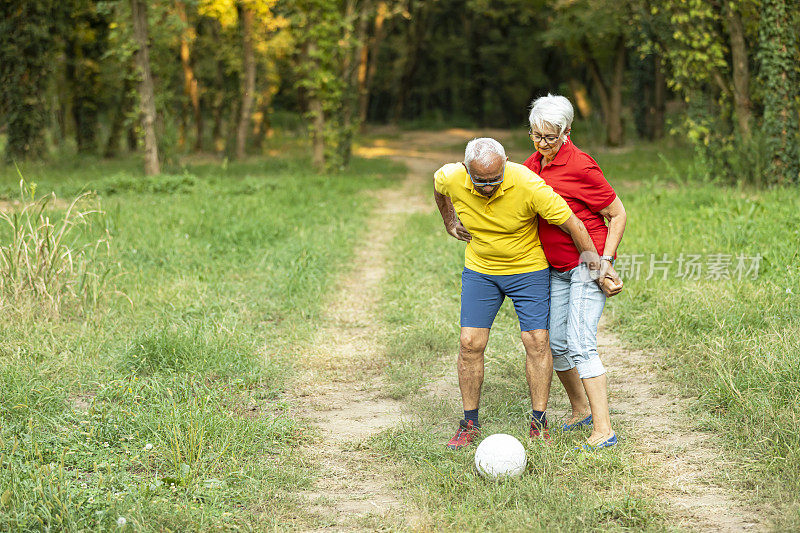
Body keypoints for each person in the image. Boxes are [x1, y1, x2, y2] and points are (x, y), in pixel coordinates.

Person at [434, 137, 601, 450]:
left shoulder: (527, 183)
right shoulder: (451, 176)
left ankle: (539, 422)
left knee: (537, 341)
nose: (487, 188)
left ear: (505, 164)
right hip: (481, 269)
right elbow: (439, 187)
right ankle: (469, 423)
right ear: (466, 169)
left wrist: (598, 268)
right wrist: (449, 221)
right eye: (480, 181)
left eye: (495, 180)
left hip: (527, 269)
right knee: (470, 343)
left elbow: (574, 224)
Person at [523, 94, 627, 449]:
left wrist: (606, 261)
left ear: (567, 131)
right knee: (558, 344)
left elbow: (617, 214)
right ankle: (580, 410)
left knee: (582, 344)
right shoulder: (531, 166)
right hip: (555, 268)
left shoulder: (582, 166)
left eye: (550, 137)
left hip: (588, 265)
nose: (541, 144)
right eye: (535, 135)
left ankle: (604, 430)